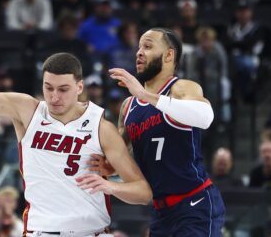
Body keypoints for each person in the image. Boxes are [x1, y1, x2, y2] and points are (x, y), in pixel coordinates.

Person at [0, 3, 152, 235]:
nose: (54, 96)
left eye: (63, 89)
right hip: (42, 231)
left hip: (91, 231)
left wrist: (110, 186)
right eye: (48, 87)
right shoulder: (28, 110)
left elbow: (143, 193)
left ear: (80, 87)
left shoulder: (101, 126)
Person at [94, 28, 226, 236]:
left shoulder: (181, 88)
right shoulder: (129, 106)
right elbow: (122, 158)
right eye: (138, 47)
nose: (139, 52)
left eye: (147, 46)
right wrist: (109, 167)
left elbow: (206, 117)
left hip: (195, 202)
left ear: (168, 55)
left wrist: (146, 95)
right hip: (160, 211)